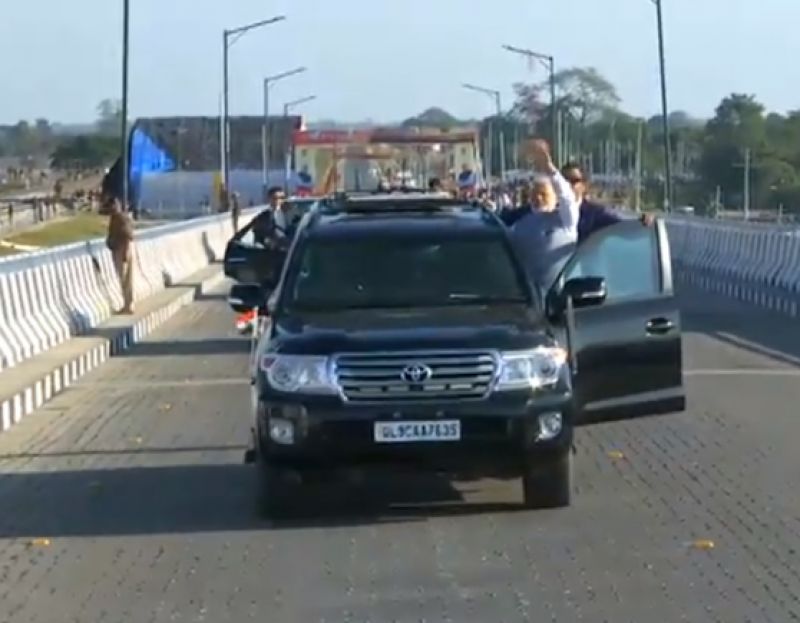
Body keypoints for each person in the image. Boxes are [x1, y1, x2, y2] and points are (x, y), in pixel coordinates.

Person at [508, 140, 580, 291]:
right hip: (529, 297)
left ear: (555, 197)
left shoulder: (565, 222)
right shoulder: (519, 226)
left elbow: (567, 197)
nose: (538, 198)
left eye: (543, 194)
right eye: (535, 194)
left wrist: (550, 169)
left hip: (561, 296)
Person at [560, 162, 652, 243]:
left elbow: (623, 225)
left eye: (573, 181)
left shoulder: (594, 213)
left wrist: (643, 221)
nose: (567, 185)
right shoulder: (550, 212)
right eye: (563, 180)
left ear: (584, 185)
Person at [105, 197, 135, 314]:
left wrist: (126, 253)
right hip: (121, 249)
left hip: (122, 250)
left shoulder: (121, 218)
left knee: (125, 279)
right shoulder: (117, 218)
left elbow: (127, 236)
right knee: (125, 279)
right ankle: (127, 304)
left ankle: (129, 305)